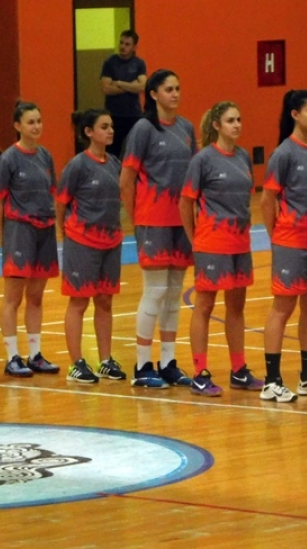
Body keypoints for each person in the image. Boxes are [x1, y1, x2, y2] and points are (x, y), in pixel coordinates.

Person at [259, 89, 307, 403]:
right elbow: (267, 201)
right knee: (283, 308)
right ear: (295, 114)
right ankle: (271, 381)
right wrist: (277, 237)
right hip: (292, 241)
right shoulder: (284, 154)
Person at [179, 101, 263, 397]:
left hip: (240, 243)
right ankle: (200, 373)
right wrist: (194, 240)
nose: (237, 125)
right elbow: (185, 202)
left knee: (236, 307)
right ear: (216, 125)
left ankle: (238, 370)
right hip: (212, 243)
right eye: (230, 120)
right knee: (204, 306)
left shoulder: (242, 156)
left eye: (239, 119)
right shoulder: (203, 160)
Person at [120, 69, 196, 389]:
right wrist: (137, 219)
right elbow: (126, 180)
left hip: (181, 221)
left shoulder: (187, 128)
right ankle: (142, 365)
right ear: (153, 94)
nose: (175, 94)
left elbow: (193, 178)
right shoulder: (143, 129)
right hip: (153, 220)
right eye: (168, 89)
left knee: (174, 294)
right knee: (155, 291)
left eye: (177, 88)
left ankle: (168, 362)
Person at [56, 108, 127, 384]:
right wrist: (64, 234)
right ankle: (76, 363)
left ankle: (105, 361)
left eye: (111, 126)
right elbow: (61, 203)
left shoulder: (115, 163)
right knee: (79, 301)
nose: (110, 131)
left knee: (105, 300)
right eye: (104, 127)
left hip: (111, 240)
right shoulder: (77, 166)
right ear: (88, 132)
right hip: (82, 241)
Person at [0, 101, 60, 378]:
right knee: (13, 297)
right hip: (19, 230)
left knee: (36, 296)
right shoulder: (8, 159)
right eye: (31, 122)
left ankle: (35, 355)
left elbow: (52, 192)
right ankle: (12, 357)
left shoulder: (45, 156)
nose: (37, 126)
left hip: (45, 229)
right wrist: (4, 236)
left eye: (39, 121)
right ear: (17, 126)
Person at [101, 29, 147, 157]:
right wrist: (132, 85)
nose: (122, 46)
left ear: (134, 47)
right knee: (113, 151)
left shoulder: (139, 63)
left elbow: (142, 86)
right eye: (121, 43)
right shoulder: (110, 62)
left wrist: (119, 83)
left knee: (133, 150)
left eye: (127, 44)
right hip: (113, 115)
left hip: (133, 114)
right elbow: (106, 88)